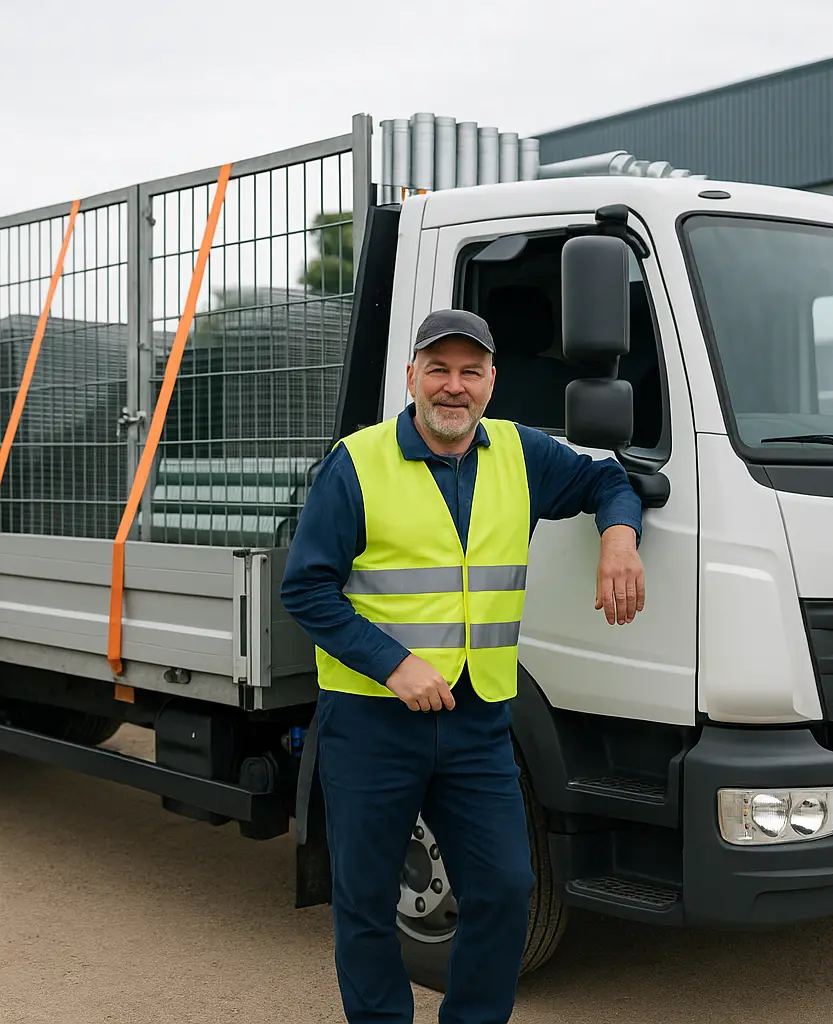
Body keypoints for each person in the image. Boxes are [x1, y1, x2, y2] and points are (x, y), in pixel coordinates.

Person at [280, 309, 646, 1024]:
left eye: (470, 371)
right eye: (439, 370)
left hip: (478, 720)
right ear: (411, 376)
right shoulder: (355, 464)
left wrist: (620, 537)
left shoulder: (521, 454)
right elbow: (305, 589)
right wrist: (392, 665)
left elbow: (608, 481)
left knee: (508, 889)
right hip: (372, 720)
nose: (454, 387)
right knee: (365, 897)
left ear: (491, 382)